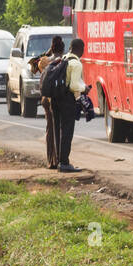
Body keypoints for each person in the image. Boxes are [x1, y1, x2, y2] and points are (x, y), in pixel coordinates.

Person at [49, 37, 89, 173]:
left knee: (57, 130)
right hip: (66, 100)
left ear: (70, 48)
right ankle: (65, 163)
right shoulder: (76, 64)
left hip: (55, 98)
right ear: (81, 50)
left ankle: (60, 161)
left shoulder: (63, 58)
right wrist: (85, 89)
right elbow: (73, 85)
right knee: (67, 131)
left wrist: (81, 85)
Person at [30, 36, 65, 169]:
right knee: (60, 128)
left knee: (50, 128)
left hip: (46, 98)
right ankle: (61, 158)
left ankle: (51, 160)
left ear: (52, 47)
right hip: (58, 97)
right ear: (62, 49)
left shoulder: (44, 61)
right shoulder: (63, 60)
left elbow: (33, 68)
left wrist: (48, 51)